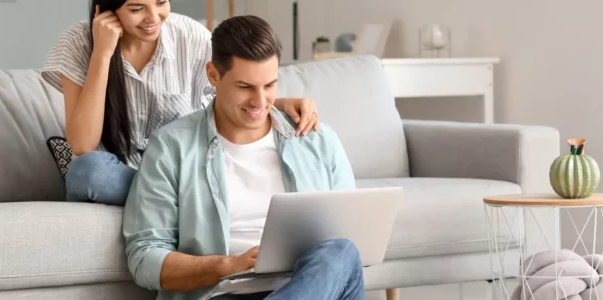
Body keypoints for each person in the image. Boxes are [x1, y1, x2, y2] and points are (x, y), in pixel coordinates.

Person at [122, 15, 363, 300]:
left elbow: (353, 237)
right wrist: (227, 265)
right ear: (213, 75)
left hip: (306, 288)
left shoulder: (317, 139)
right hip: (220, 293)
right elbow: (144, 259)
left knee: (343, 252)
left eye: (270, 85)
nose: (260, 102)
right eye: (245, 87)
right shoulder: (171, 146)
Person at [42, 0, 323, 205]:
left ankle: (176, 200)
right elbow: (81, 144)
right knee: (90, 173)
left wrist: (278, 102)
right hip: (120, 177)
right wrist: (102, 53)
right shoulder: (78, 42)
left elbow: (226, 94)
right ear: (107, 10)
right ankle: (185, 201)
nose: (154, 17)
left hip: (177, 170)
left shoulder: (191, 36)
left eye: (161, 2)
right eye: (137, 8)